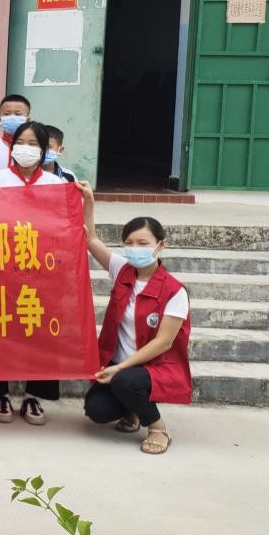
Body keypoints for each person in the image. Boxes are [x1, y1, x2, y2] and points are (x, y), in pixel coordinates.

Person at [79, 187, 191, 454]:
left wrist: (120, 369)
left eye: (143, 243)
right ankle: (132, 409)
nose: (134, 248)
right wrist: (89, 200)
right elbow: (90, 239)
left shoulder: (174, 291)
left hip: (153, 367)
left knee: (125, 381)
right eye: (129, 242)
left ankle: (158, 428)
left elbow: (163, 343)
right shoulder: (122, 269)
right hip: (120, 365)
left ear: (161, 245)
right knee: (96, 410)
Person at [0, 120, 65, 424]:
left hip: (43, 269)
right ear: (11, 148)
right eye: (20, 143)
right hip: (2, 267)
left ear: (44, 150)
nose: (26, 149)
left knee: (40, 331)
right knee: (0, 329)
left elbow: (64, 226)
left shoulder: (55, 185)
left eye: (33, 144)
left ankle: (33, 396)